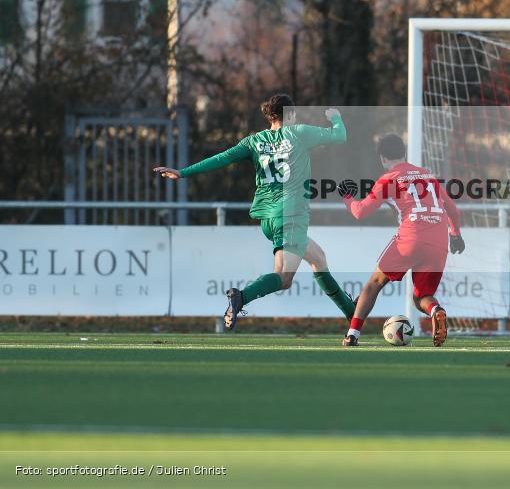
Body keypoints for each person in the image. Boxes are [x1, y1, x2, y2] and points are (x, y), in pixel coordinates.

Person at [153, 94, 356, 329]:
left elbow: (223, 158)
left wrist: (184, 172)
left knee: (318, 258)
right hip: (291, 216)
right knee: (283, 278)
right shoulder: (299, 133)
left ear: (269, 116)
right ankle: (241, 297)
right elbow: (340, 136)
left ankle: (352, 313)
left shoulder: (254, 141)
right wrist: (336, 117)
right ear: (291, 114)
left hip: (268, 218)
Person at [337, 133, 464, 347]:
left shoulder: (388, 179)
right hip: (439, 240)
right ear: (404, 153)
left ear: (382, 158)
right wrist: (456, 235)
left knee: (374, 284)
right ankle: (436, 310)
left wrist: (347, 198)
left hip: (411, 237)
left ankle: (352, 335)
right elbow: (453, 209)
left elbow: (360, 212)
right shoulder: (427, 175)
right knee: (422, 296)